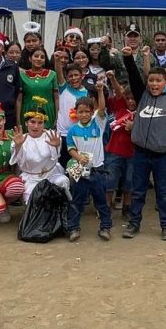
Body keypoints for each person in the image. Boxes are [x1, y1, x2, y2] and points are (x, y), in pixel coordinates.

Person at [121, 46, 166, 240]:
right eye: (151, 80)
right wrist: (128, 58)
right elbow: (134, 77)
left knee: (163, 193)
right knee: (138, 192)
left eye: (158, 80)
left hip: (162, 155)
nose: (154, 84)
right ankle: (134, 224)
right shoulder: (142, 96)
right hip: (141, 154)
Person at [65, 84, 112, 242]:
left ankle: (105, 227)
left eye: (87, 111)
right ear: (76, 112)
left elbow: (102, 108)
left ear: (92, 112)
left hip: (97, 169)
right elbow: (71, 149)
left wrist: (100, 91)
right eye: (81, 112)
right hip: (80, 169)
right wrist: (78, 157)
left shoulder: (98, 124)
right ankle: (74, 228)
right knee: (77, 201)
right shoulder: (72, 130)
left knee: (101, 200)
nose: (84, 114)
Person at [10, 109, 68, 204]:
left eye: (40, 123)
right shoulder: (20, 139)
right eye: (32, 122)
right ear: (26, 123)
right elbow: (17, 160)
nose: (36, 126)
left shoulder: (52, 136)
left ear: (44, 124)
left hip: (51, 175)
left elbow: (56, 156)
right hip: (31, 178)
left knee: (63, 181)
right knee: (34, 201)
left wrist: (56, 146)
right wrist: (18, 146)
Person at [104, 71, 136, 217]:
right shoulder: (121, 107)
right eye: (128, 98)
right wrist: (112, 78)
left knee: (129, 181)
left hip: (133, 153)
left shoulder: (142, 113)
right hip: (114, 151)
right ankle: (106, 207)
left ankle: (126, 207)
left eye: (133, 98)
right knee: (110, 180)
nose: (130, 101)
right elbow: (118, 91)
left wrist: (133, 128)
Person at [53, 53, 89, 164]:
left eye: (76, 75)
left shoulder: (87, 93)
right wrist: (57, 60)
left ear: (82, 75)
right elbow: (59, 73)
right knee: (62, 165)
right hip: (63, 135)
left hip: (79, 135)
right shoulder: (63, 88)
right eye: (71, 76)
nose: (74, 78)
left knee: (77, 166)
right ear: (67, 78)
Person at [17, 48, 58, 132]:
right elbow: (19, 100)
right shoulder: (22, 75)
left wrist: (57, 117)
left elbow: (56, 98)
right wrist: (18, 121)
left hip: (48, 112)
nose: (39, 59)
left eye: (42, 57)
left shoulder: (52, 75)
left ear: (45, 60)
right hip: (28, 111)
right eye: (36, 56)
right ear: (30, 58)